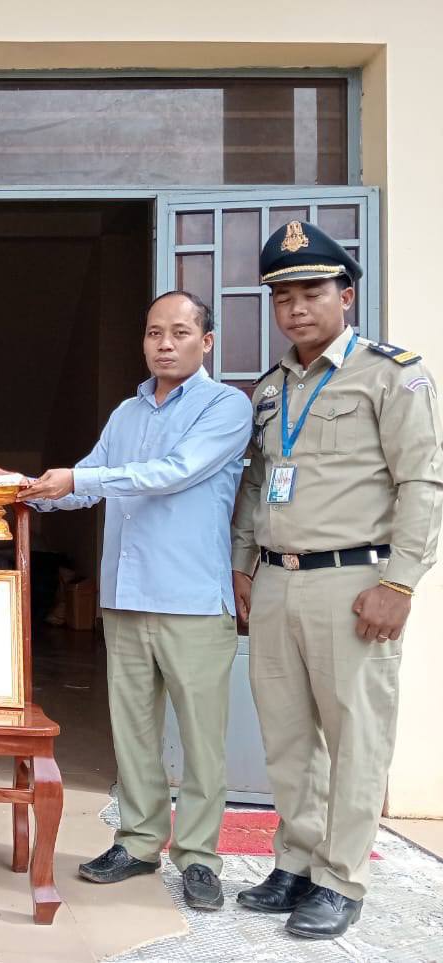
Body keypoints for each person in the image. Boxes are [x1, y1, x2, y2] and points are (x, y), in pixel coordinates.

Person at [230, 222, 443, 939]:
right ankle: (295, 861)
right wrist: (242, 565)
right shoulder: (270, 390)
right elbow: (256, 485)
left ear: (345, 296)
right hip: (277, 579)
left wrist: (401, 583)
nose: (296, 308)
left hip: (355, 582)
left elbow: (422, 482)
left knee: (356, 738)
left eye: (312, 292)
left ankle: (341, 878)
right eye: (283, 296)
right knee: (288, 736)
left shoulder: (393, 375)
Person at [19, 290, 252, 912]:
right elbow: (89, 482)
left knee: (202, 740)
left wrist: (80, 478)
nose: (164, 344)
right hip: (126, 595)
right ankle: (139, 841)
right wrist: (23, 490)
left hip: (192, 598)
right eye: (153, 332)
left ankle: (198, 857)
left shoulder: (225, 407)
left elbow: (173, 472)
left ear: (206, 342)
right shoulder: (126, 413)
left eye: (179, 332)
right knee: (134, 732)